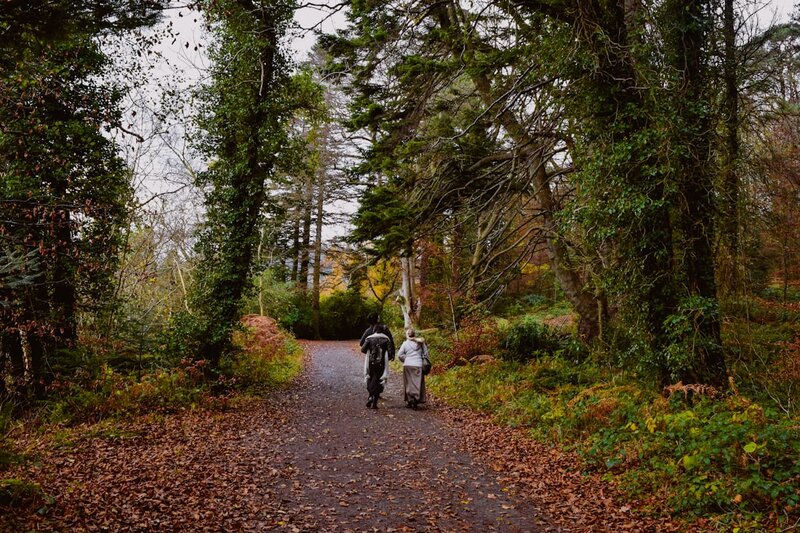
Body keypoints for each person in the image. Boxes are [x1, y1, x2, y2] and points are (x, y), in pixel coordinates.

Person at [359, 313, 395, 409]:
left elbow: (361, 344)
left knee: (370, 376)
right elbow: (391, 342)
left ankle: (371, 395)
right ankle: (376, 395)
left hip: (371, 358)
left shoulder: (369, 331)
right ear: (377, 319)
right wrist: (392, 354)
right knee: (379, 376)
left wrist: (369, 348)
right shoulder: (384, 329)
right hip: (382, 359)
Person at [397, 328, 428, 409]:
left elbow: (399, 355)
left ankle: (410, 400)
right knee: (417, 383)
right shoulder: (421, 343)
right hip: (418, 365)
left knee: (408, 383)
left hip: (407, 365)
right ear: (415, 334)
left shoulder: (405, 343)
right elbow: (426, 354)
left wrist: (405, 359)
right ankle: (416, 399)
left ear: (407, 335)